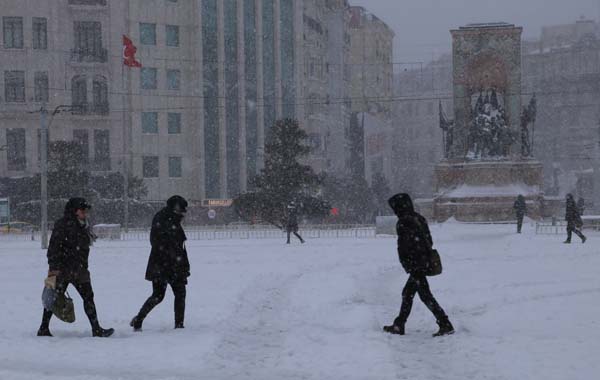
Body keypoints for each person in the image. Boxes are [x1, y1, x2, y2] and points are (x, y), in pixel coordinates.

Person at [37, 198, 114, 338]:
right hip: (63, 270)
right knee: (53, 297)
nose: (85, 213)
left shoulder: (83, 225)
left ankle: (96, 329)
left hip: (79, 269)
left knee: (88, 297)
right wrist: (53, 268)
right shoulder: (63, 225)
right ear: (74, 211)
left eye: (86, 211)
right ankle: (43, 328)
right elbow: (54, 248)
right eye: (83, 211)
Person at [383, 193, 454, 337]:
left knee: (419, 295)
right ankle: (400, 324)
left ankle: (444, 323)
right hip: (422, 262)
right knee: (414, 294)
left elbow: (404, 246)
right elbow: (428, 240)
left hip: (416, 265)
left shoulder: (404, 221)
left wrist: (409, 262)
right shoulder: (418, 218)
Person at [131, 195, 190, 331]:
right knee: (161, 295)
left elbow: (179, 245)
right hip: (164, 264)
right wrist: (173, 259)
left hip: (167, 264)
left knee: (172, 294)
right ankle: (139, 319)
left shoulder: (170, 219)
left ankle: (178, 324)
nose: (183, 215)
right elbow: (159, 243)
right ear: (175, 209)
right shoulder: (164, 219)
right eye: (182, 212)